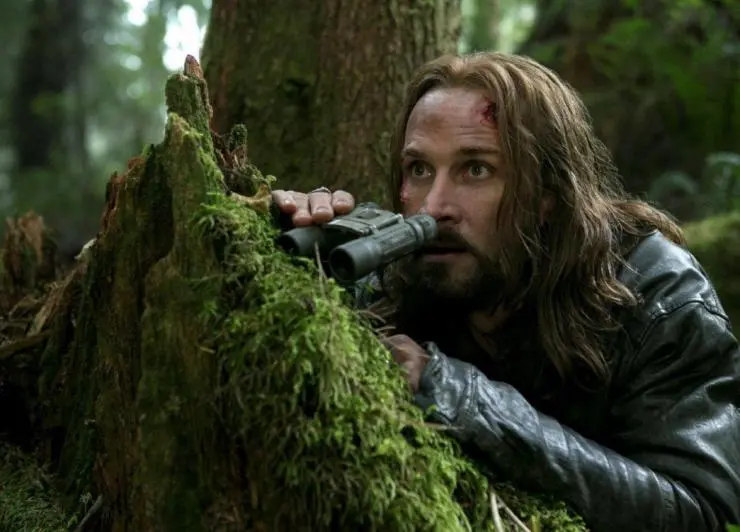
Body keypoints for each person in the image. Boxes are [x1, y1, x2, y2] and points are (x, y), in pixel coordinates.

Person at [271, 52, 740, 531]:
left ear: (548, 192)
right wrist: (296, 256)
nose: (434, 207)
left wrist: (461, 398)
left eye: (476, 169)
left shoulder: (659, 292)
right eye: (419, 169)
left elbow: (699, 511)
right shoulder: (402, 272)